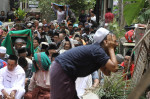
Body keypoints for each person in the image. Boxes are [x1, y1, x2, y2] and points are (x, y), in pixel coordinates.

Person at [50, 28, 118, 99]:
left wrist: (110, 51)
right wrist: (111, 48)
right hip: (62, 70)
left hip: (64, 71)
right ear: (106, 42)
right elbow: (114, 68)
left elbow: (107, 72)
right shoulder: (98, 50)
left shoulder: (99, 51)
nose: (116, 44)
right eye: (114, 41)